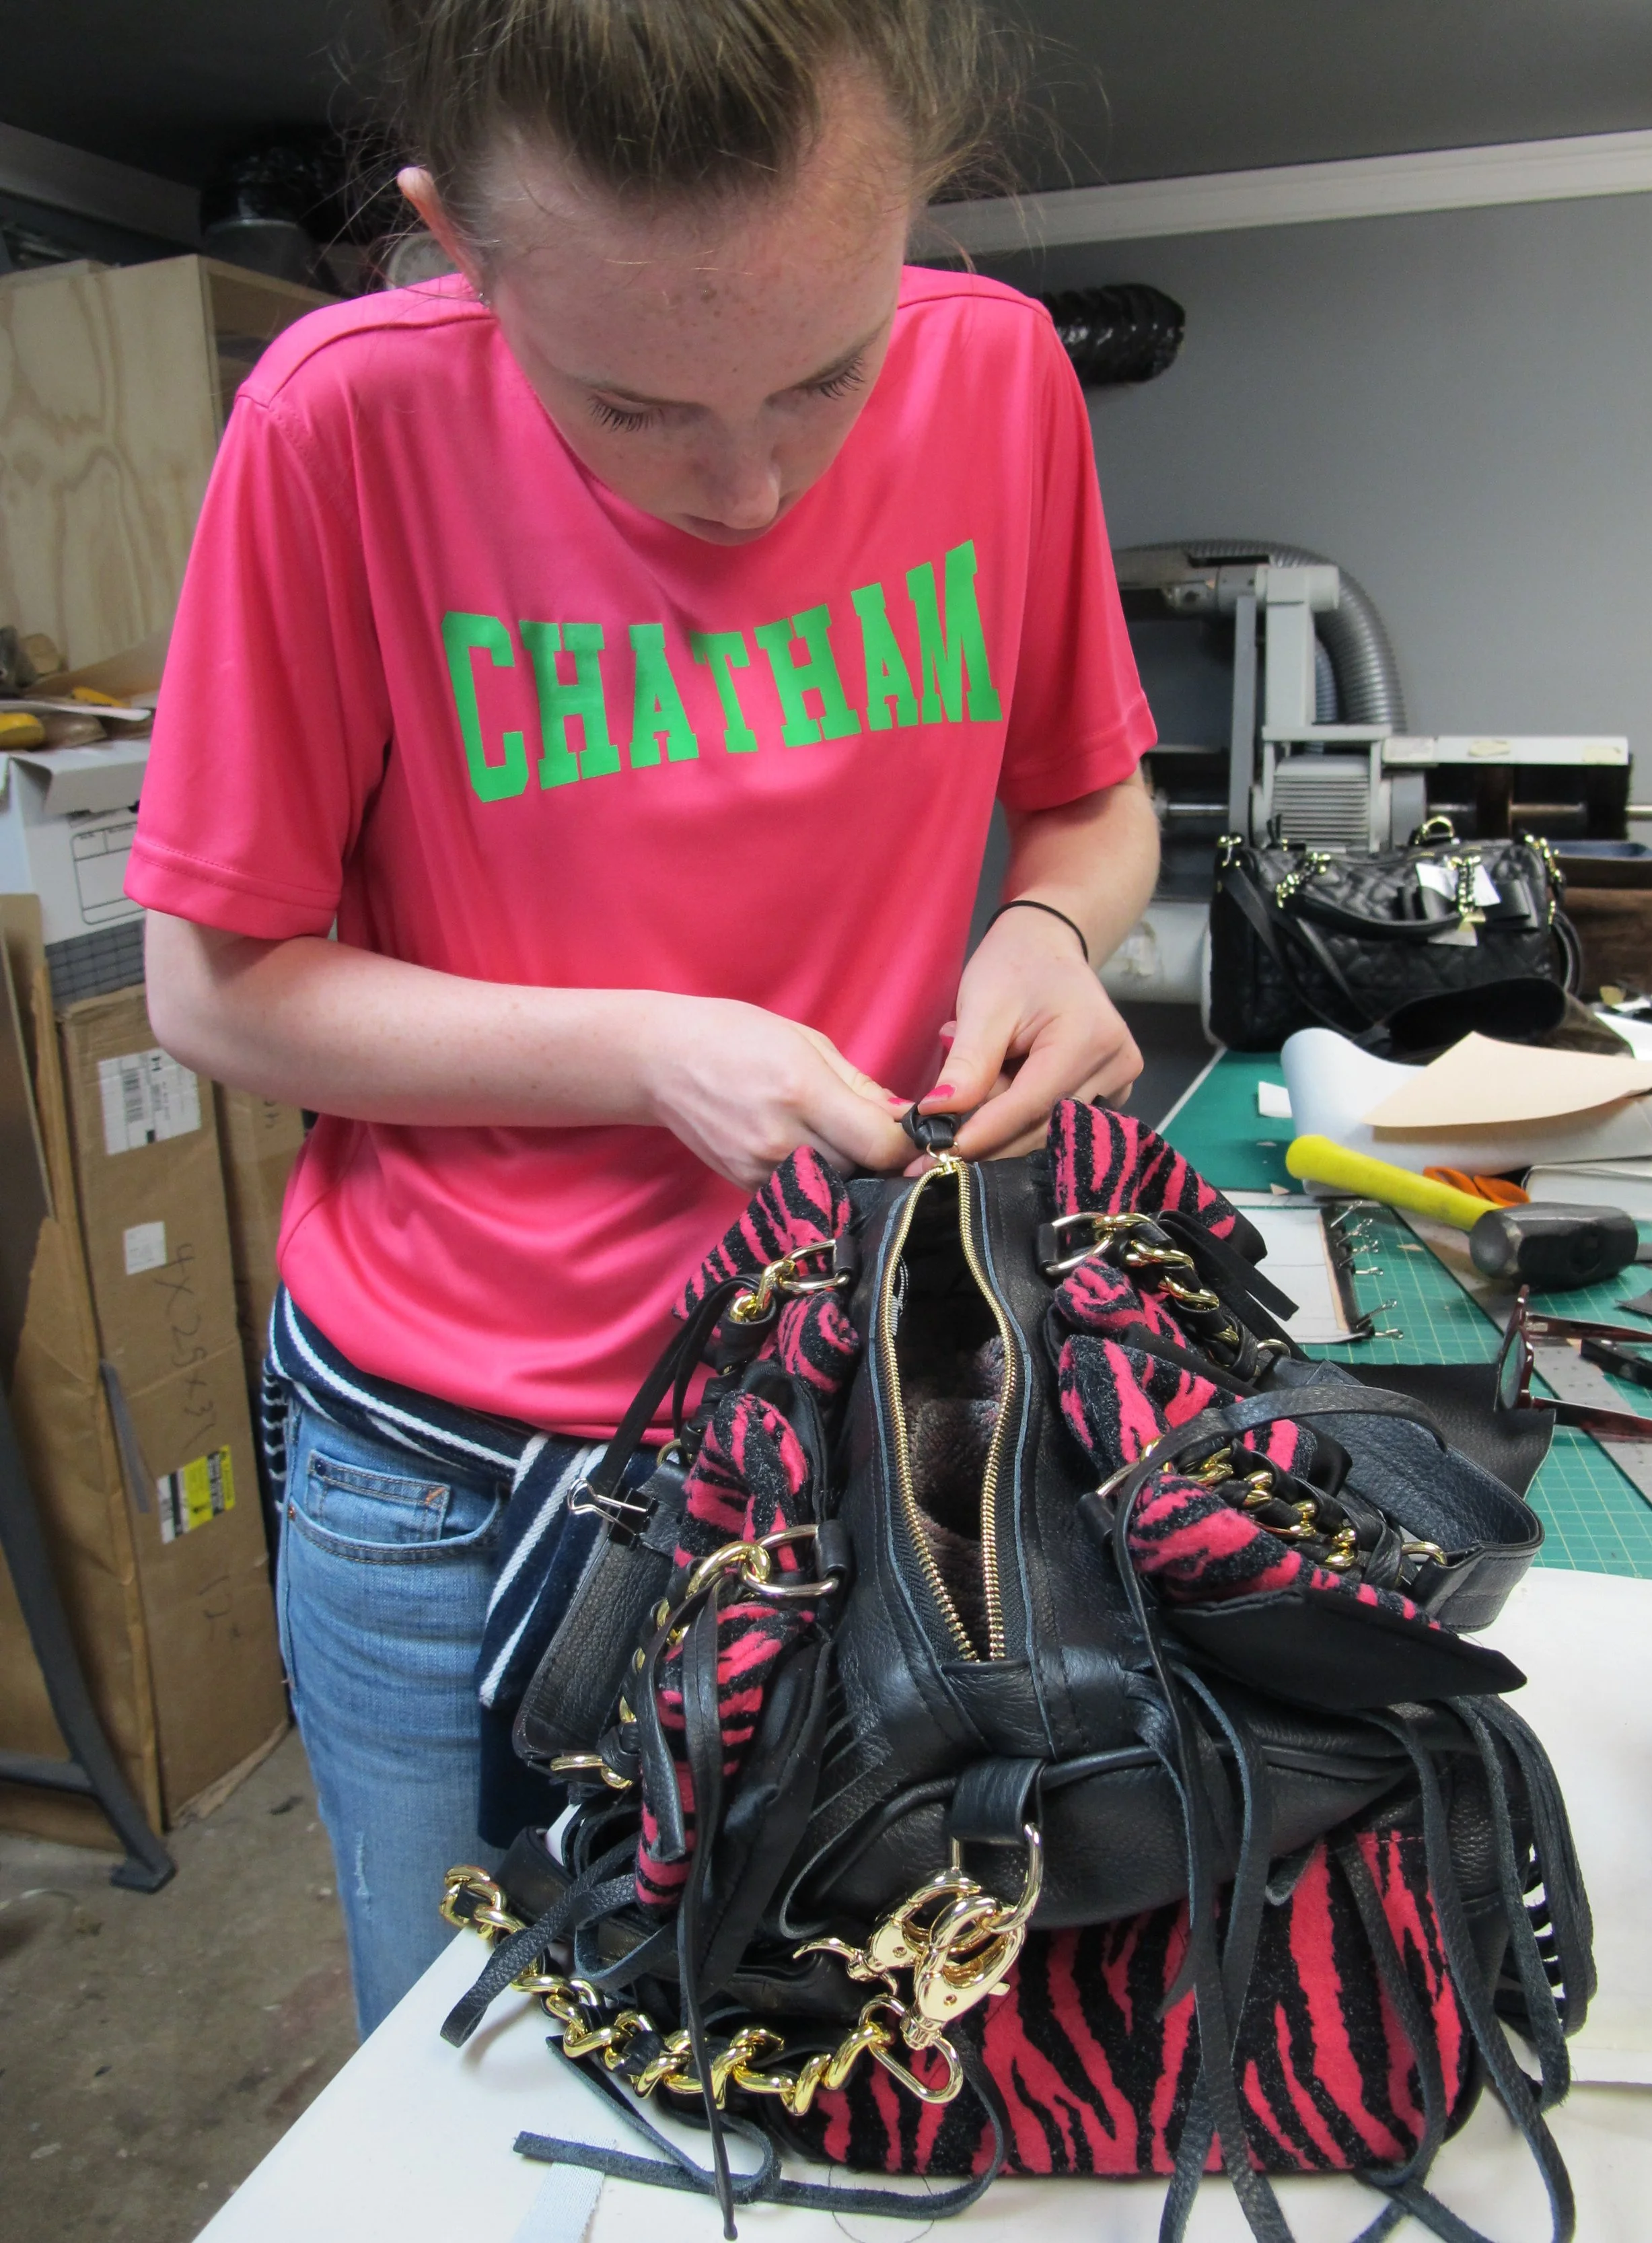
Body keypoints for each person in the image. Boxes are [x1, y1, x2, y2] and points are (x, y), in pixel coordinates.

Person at [131, 0, 1161, 2034]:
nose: (747, 479)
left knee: (819, 2037)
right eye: (625, 404)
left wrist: (1047, 924)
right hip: (452, 1457)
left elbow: (1092, 790)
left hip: (848, 1403)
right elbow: (218, 988)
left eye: (822, 372)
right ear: (456, 243)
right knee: (470, 2065)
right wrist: (642, 1048)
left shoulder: (1001, 375)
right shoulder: (340, 425)